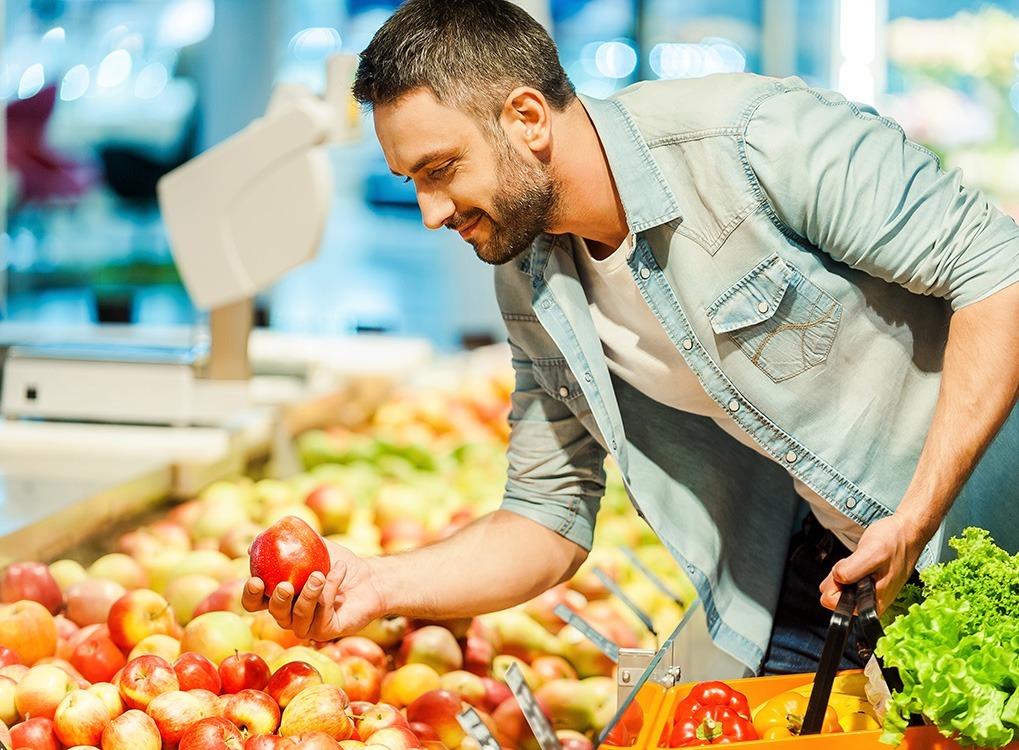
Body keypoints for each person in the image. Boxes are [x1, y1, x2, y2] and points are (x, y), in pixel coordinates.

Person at [243, 0, 1019, 676]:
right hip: (826, 572)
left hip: (984, 536)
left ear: (525, 117)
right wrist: (378, 584)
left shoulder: (752, 140)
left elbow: (999, 271)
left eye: (441, 168)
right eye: (412, 180)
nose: (431, 211)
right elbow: (546, 515)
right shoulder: (529, 277)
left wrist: (915, 515)